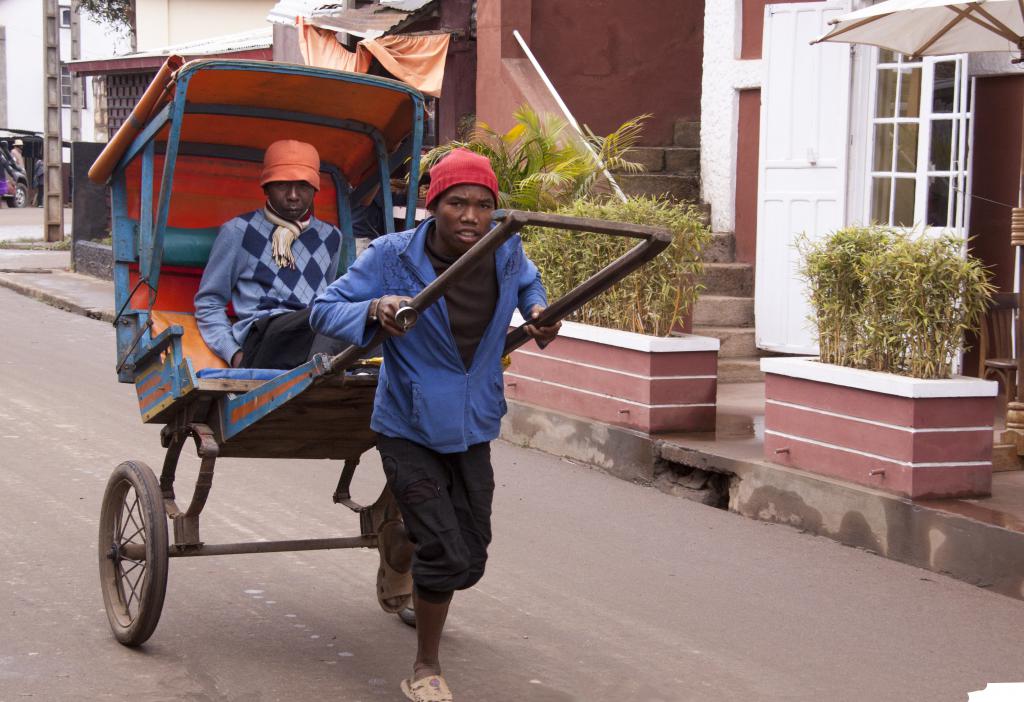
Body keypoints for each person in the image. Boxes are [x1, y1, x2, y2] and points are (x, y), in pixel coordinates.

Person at [310, 149, 561, 702]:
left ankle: (400, 543)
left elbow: (528, 286)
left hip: (474, 423)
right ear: (432, 206)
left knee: (470, 557)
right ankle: (425, 666)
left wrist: (539, 311)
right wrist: (375, 309)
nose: (471, 216)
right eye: (457, 203)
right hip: (408, 426)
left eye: (482, 205)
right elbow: (324, 309)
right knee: (446, 555)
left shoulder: (506, 247)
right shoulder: (393, 256)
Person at [194, 139, 347, 370]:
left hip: (312, 336)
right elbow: (209, 302)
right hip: (265, 336)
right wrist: (234, 354)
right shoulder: (239, 231)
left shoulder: (331, 237)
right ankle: (317, 371)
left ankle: (319, 372)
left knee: (365, 320)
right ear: (266, 187)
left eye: (303, 186)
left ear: (315, 189)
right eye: (283, 185)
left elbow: (327, 298)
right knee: (330, 317)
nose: (293, 195)